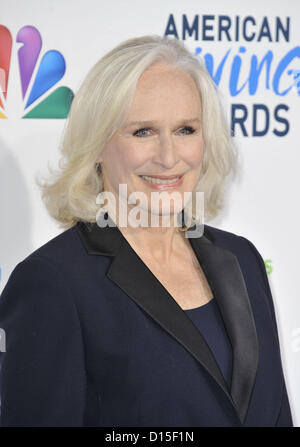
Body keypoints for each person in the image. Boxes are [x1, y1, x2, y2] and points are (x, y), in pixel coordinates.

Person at [0, 35, 293, 427]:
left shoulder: (242, 259)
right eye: (143, 132)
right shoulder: (54, 282)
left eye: (186, 129)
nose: (169, 157)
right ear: (98, 145)